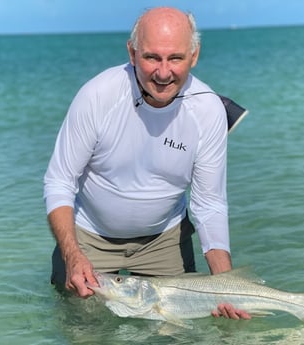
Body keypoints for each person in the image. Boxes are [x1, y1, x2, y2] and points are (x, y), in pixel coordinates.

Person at [44, 6, 250, 320]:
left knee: (180, 335)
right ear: (132, 52)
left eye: (176, 58)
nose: (163, 72)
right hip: (89, 237)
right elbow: (59, 181)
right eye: (152, 57)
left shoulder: (208, 110)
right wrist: (73, 255)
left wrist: (225, 284)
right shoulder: (98, 96)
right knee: (81, 329)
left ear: (194, 56)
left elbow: (209, 203)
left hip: (164, 240)